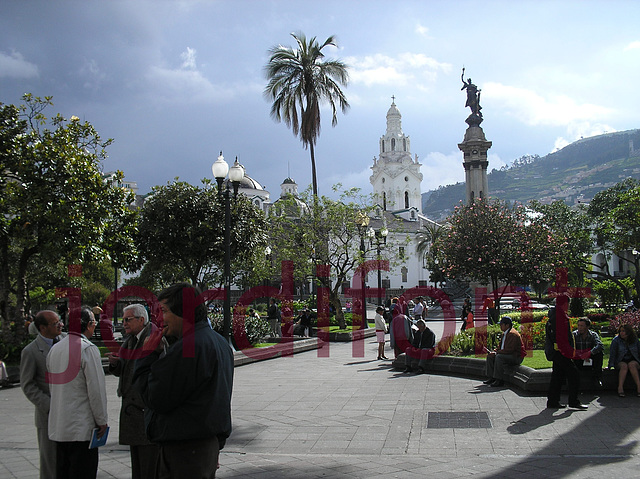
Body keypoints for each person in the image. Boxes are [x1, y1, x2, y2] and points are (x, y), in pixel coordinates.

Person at [133, 283, 234, 478]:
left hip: (184, 449)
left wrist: (146, 356)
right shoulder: (218, 342)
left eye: (164, 311)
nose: (159, 318)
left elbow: (155, 397)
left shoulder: (189, 348)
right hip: (204, 444)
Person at [47, 306, 108, 479]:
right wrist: (101, 420)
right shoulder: (87, 349)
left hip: (59, 427)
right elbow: (96, 390)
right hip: (81, 428)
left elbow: (53, 387)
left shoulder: (55, 349)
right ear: (89, 325)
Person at [108, 304, 166, 479]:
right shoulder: (131, 340)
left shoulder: (153, 339)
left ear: (141, 320)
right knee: (138, 467)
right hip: (133, 413)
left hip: (144, 411)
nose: (123, 323)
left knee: (149, 466)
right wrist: (116, 365)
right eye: (123, 319)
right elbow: (127, 371)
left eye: (128, 319)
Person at [19, 310, 64, 479]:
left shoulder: (67, 341)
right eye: (55, 323)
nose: (60, 325)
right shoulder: (31, 351)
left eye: (59, 321)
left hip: (69, 413)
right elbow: (28, 385)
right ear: (43, 328)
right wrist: (49, 405)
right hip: (48, 415)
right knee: (50, 463)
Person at [545, 305, 588, 410]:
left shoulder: (553, 316)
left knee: (557, 376)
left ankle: (553, 401)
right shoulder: (558, 317)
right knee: (574, 375)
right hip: (561, 352)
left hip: (557, 352)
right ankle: (573, 401)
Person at [483, 316, 524, 387]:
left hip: (516, 357)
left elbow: (510, 350)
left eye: (501, 325)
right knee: (490, 356)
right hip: (508, 354)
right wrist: (494, 352)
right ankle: (491, 377)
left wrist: (496, 353)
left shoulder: (512, 334)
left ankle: (499, 380)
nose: (500, 326)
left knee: (499, 357)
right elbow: (500, 347)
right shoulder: (505, 333)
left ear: (507, 325)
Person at [608, 324, 640, 397]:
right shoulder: (616, 340)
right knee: (624, 366)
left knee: (632, 365)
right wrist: (611, 365)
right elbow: (613, 354)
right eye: (621, 331)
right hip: (621, 360)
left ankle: (639, 387)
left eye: (624, 331)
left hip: (633, 360)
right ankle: (620, 387)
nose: (622, 333)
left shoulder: (635, 340)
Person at [572, 317, 604, 389]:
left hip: (589, 358)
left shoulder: (593, 335)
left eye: (582, 326)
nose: (580, 328)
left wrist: (589, 353)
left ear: (587, 327)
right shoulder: (574, 335)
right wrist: (581, 355)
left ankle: (597, 378)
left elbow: (600, 345)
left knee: (599, 354)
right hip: (578, 358)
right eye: (579, 325)